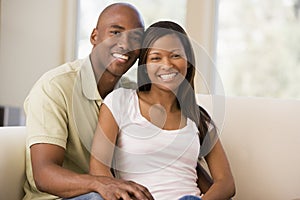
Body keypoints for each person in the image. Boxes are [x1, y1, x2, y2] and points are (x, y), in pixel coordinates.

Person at [90, 21, 236, 200]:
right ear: (145, 65)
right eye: (156, 58)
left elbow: (226, 183)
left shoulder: (198, 117)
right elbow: (99, 169)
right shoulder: (120, 101)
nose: (167, 65)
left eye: (175, 55)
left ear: (188, 62)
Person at [23, 3, 155, 200]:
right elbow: (44, 173)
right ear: (94, 37)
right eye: (116, 32)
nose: (126, 45)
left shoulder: (132, 93)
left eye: (135, 38)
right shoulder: (55, 87)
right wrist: (100, 183)